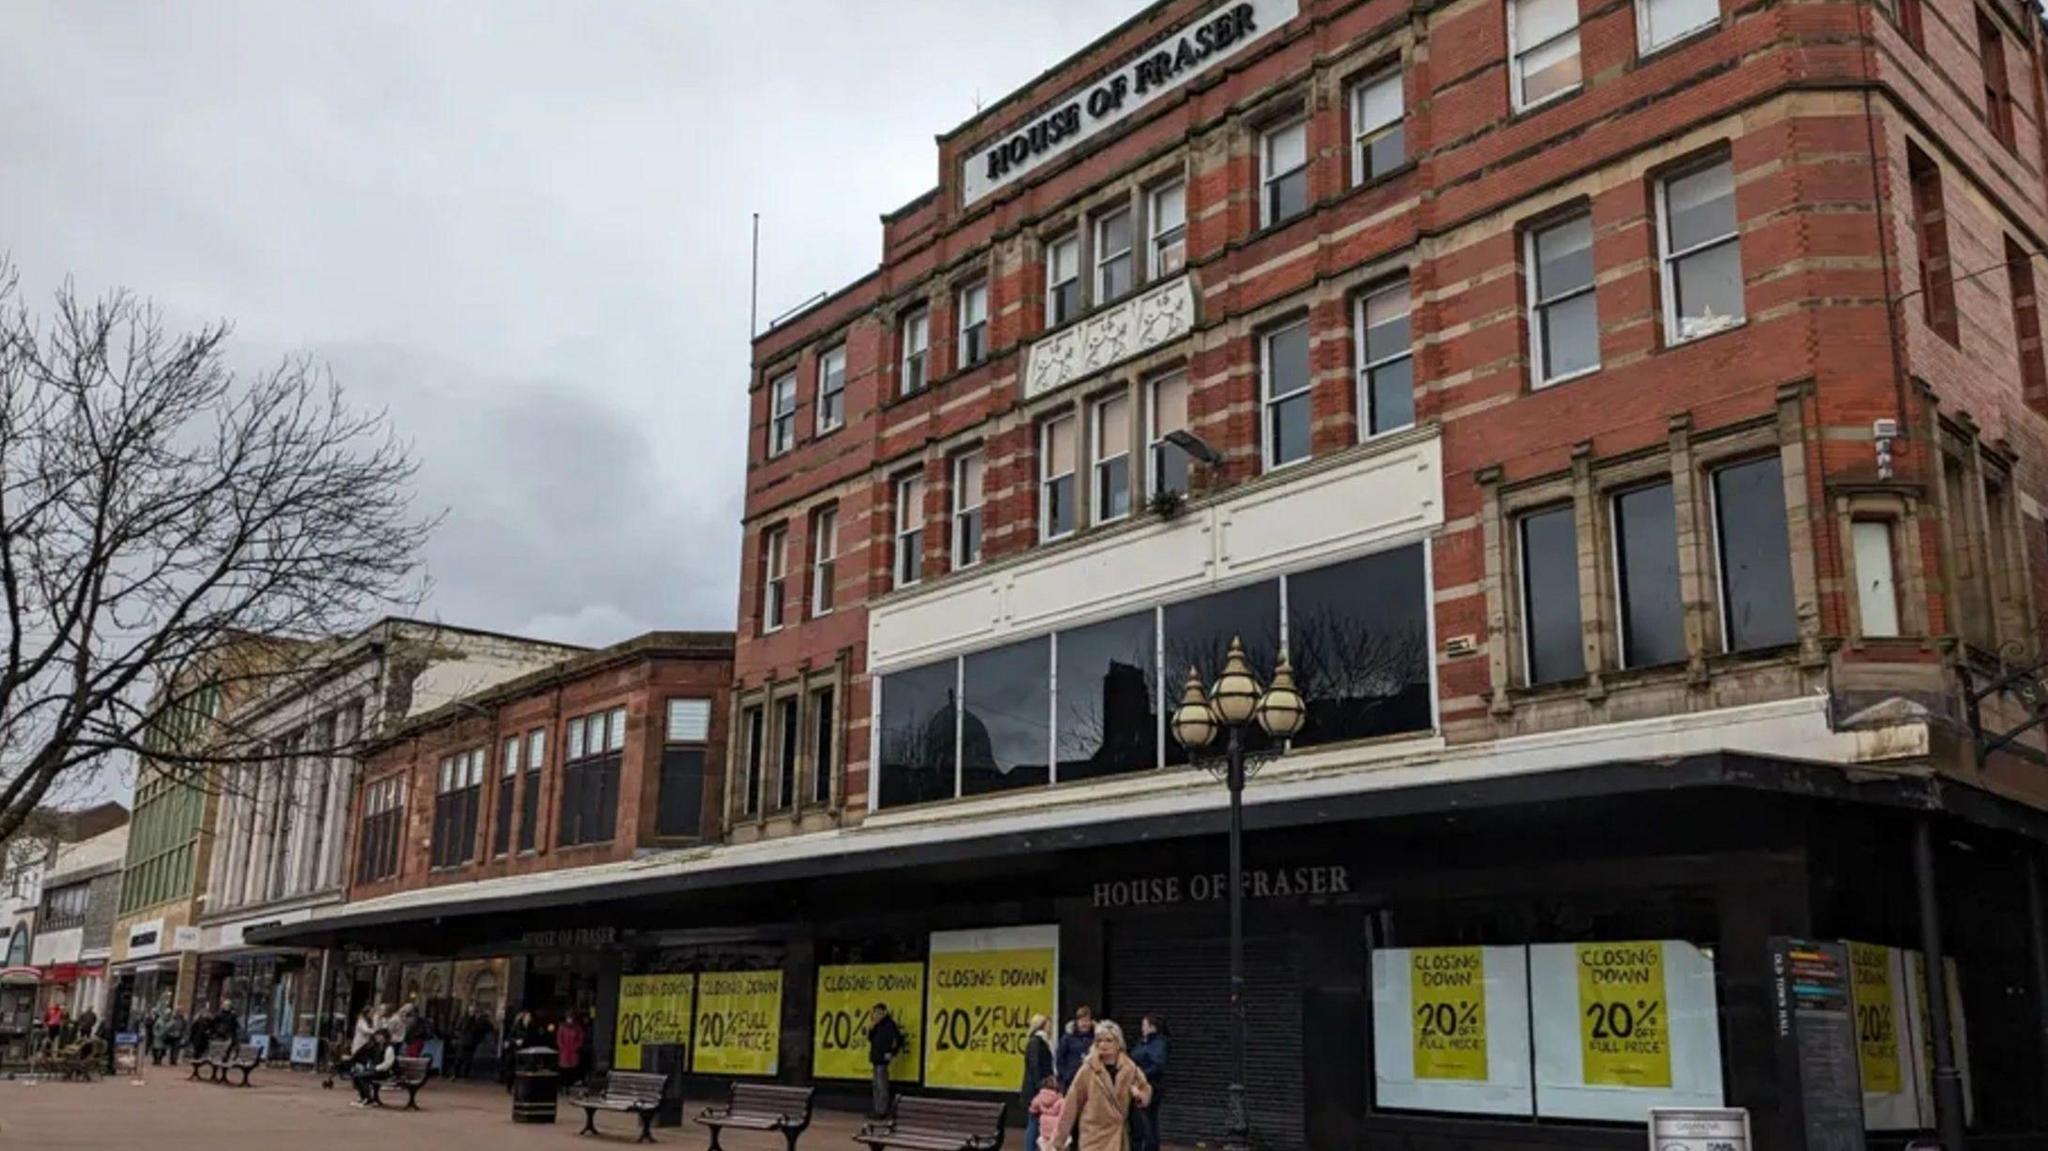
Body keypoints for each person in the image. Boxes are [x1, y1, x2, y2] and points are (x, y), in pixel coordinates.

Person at [1051, 1020, 1151, 1151]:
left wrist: (1139, 1095)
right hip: (1093, 1138)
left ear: (1118, 1043)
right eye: (1099, 1040)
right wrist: (1059, 1140)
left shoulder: (1130, 1068)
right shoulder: (1088, 1069)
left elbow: (1145, 1090)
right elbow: (1071, 1104)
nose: (1103, 1044)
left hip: (1118, 1139)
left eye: (1109, 1040)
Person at [1129, 1016, 1168, 1151]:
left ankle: (1150, 1147)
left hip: (1152, 1086)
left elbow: (1158, 1065)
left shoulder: (1159, 1043)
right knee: (1144, 1119)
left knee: (1149, 1119)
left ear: (1152, 1027)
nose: (1142, 1028)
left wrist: (1141, 1075)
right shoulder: (1143, 1042)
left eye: (1144, 1025)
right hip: (1139, 1085)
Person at [1022, 1014, 1057, 1146]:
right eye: (1048, 1024)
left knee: (1038, 1122)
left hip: (1041, 1087)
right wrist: (1040, 1087)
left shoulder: (1044, 1042)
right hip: (1036, 1089)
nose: (1051, 1027)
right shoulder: (1036, 1042)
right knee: (1033, 1121)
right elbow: (1035, 1065)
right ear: (1041, 1025)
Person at [865, 1002, 905, 1118]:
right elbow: (870, 1039)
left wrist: (892, 1053)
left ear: (884, 1012)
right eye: (875, 1013)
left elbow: (898, 1039)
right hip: (875, 1058)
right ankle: (876, 1109)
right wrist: (872, 1027)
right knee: (876, 1086)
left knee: (882, 1085)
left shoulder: (889, 1024)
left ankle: (882, 1111)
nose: (876, 1015)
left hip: (883, 1058)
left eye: (878, 1013)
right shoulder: (876, 1025)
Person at [348, 1028, 398, 1107]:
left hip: (384, 1072)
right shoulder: (376, 1046)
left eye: (379, 1036)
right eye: (376, 1036)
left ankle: (368, 1099)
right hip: (375, 1071)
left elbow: (388, 1063)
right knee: (356, 1075)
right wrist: (369, 1066)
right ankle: (364, 1097)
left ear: (384, 1037)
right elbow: (370, 1058)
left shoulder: (389, 1048)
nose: (377, 1037)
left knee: (361, 1077)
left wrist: (376, 1068)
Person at [1056, 1005, 1096, 1091]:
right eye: (1082, 1021)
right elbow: (1059, 1058)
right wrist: (1065, 1076)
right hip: (1071, 1081)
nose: (1084, 1024)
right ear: (1077, 1022)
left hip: (1091, 1081)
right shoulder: (1067, 1038)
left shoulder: (1096, 1038)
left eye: (1087, 1021)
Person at [1029, 1075, 1066, 1151]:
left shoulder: (1040, 1097)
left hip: (1044, 1131)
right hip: (1056, 1131)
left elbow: (1033, 1109)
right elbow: (1063, 1116)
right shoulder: (1061, 1100)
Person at [555, 1010, 587, 1088]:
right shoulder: (562, 1027)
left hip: (573, 1051)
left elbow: (581, 1038)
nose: (570, 1019)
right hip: (565, 1051)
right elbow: (559, 1038)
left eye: (571, 1017)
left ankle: (573, 1082)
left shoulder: (577, 1027)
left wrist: (576, 1046)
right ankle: (564, 1083)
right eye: (568, 1017)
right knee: (564, 1068)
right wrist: (562, 1047)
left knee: (574, 1067)